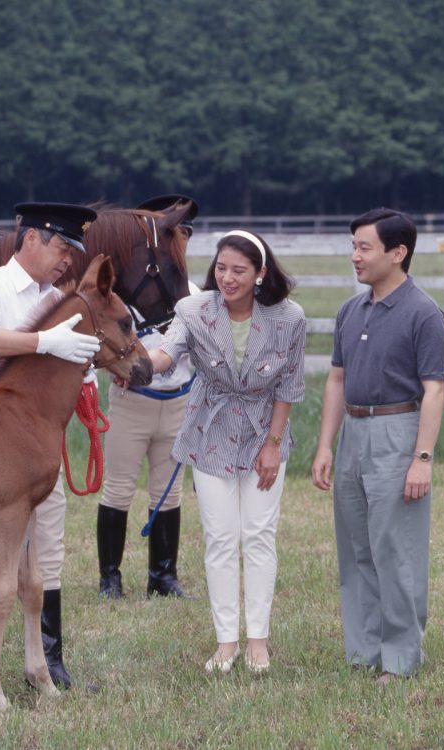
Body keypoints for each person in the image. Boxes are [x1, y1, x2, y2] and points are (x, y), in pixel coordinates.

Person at [0, 202, 101, 694]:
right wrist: (43, 342)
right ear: (31, 238)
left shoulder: (59, 297)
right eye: (61, 246)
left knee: (46, 556)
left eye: (73, 251)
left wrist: (84, 370)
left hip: (39, 444)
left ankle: (47, 663)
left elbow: (66, 362)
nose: (67, 260)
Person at [148, 229, 306, 673]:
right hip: (209, 429)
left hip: (263, 432)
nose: (228, 278)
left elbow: (290, 387)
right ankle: (226, 643)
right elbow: (167, 351)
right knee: (220, 538)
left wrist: (272, 446)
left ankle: (258, 641)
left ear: (260, 274)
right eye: (221, 268)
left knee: (258, 535)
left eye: (239, 270)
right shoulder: (193, 309)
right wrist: (139, 367)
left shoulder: (289, 318)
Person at [311, 208, 444, 685]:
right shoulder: (352, 311)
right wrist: (325, 445)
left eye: (364, 247)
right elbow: (335, 380)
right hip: (353, 432)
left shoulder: (423, 313)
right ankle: (364, 652)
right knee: (357, 549)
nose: (355, 256)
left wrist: (422, 459)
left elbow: (435, 389)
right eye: (353, 246)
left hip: (399, 432)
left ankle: (400, 657)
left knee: (396, 548)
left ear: (398, 252)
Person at [97, 194, 199, 599]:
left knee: (168, 491)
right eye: (177, 231)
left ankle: (163, 576)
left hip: (177, 399)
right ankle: (110, 577)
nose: (183, 238)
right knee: (118, 488)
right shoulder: (126, 289)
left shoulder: (188, 290)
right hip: (133, 403)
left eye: (186, 231)